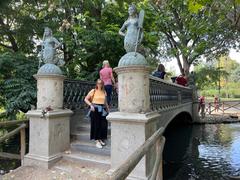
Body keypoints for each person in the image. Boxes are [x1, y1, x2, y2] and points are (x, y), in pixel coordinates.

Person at [84, 79, 109, 149]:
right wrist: (91, 105)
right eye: (98, 83)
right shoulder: (93, 91)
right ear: (96, 84)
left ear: (102, 84)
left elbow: (105, 102)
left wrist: (108, 110)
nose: (99, 84)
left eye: (101, 83)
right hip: (95, 109)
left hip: (103, 110)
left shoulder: (104, 92)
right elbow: (85, 99)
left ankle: (100, 139)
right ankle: (97, 141)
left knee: (103, 125)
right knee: (96, 125)